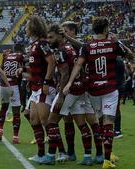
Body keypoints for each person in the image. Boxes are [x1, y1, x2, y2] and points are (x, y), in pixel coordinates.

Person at [63, 17, 134, 169]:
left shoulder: (87, 46)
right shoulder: (113, 44)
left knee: (101, 123)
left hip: (93, 90)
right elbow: (130, 55)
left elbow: (78, 64)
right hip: (109, 88)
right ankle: (107, 160)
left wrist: (69, 82)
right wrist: (119, 42)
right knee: (109, 123)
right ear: (106, 29)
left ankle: (106, 154)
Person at [46, 24, 103, 165]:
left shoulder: (60, 51)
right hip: (81, 89)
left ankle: (51, 155)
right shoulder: (72, 48)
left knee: (51, 122)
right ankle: (88, 156)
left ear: (60, 36)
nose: (48, 40)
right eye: (47, 37)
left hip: (69, 92)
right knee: (82, 124)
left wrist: (60, 95)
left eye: (51, 37)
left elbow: (65, 73)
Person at [62, 21, 104, 163]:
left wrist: (66, 38)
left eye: (66, 30)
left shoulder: (81, 45)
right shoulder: (68, 47)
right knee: (73, 120)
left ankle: (94, 154)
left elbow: (82, 47)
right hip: (79, 87)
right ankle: (74, 152)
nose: (64, 33)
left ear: (73, 31)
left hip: (80, 88)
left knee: (88, 122)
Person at [17, 16, 57, 163]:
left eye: (27, 26)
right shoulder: (34, 45)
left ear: (33, 27)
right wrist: (23, 71)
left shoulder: (42, 43)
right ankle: (41, 154)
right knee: (33, 119)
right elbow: (36, 68)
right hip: (35, 87)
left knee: (46, 121)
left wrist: (46, 82)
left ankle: (52, 155)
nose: (25, 29)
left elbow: (51, 61)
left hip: (43, 87)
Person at [0, 44, 24, 144]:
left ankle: (0, 129)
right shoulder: (21, 56)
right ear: (21, 50)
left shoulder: (7, 56)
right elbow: (24, 69)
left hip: (4, 84)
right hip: (14, 85)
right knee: (16, 112)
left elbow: (1, 69)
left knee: (3, 108)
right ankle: (15, 137)